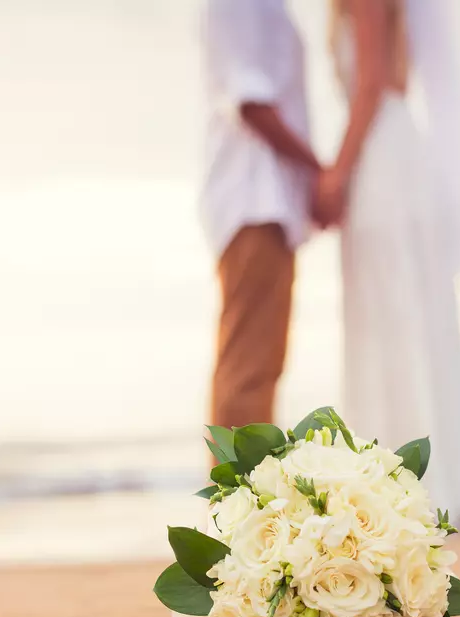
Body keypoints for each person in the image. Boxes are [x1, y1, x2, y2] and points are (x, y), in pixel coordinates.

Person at [316, 0, 460, 530]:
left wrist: (336, 174)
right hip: (395, 150)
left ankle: (402, 489)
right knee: (406, 314)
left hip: (381, 159)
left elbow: (372, 85)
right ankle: (429, 483)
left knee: (387, 316)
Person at [199, 0, 320, 433]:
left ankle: (242, 496)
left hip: (265, 199)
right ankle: (236, 497)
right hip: (253, 197)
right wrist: (317, 173)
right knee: (249, 369)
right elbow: (249, 100)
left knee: (260, 365)